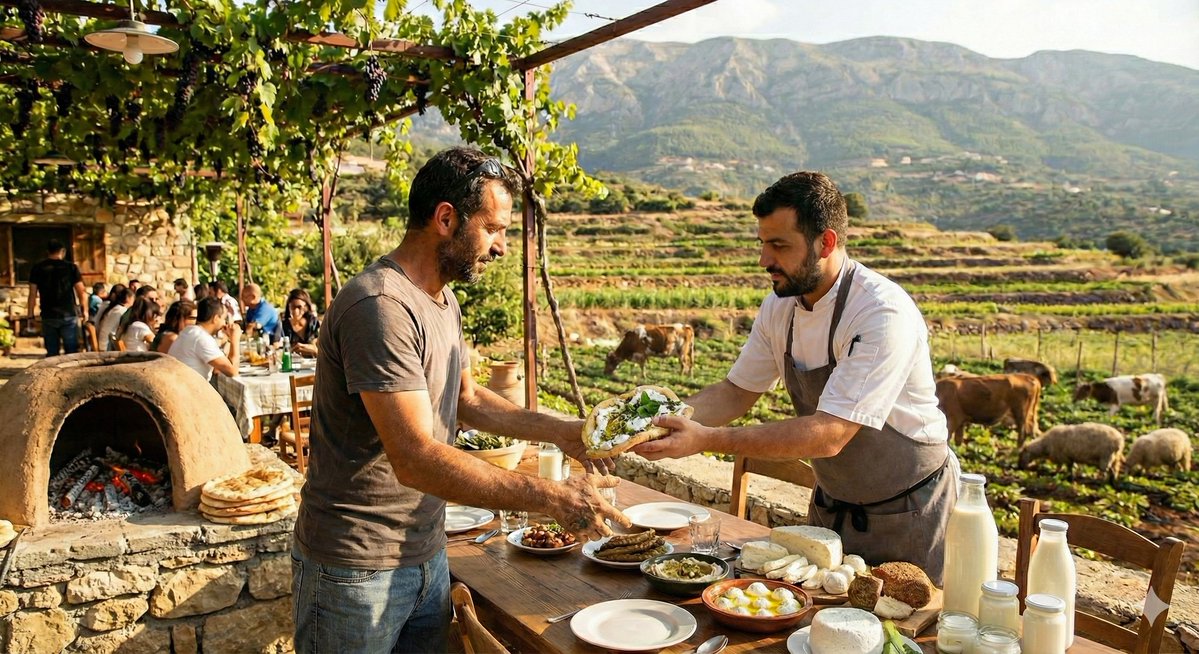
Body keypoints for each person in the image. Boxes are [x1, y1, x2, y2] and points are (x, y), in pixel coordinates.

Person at [292, 147, 627, 654]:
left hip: (425, 553)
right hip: (355, 569)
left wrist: (562, 430)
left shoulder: (442, 300)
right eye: (494, 229)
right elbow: (416, 458)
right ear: (446, 218)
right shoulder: (381, 306)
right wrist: (551, 497)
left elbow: (466, 398)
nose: (501, 248)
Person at [634, 171, 958, 584]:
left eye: (779, 245)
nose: (764, 260)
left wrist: (705, 439)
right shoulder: (781, 306)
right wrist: (658, 423)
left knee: (903, 637)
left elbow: (830, 434)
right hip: (830, 511)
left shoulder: (879, 313)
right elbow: (736, 391)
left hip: (909, 512)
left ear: (826, 242)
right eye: (763, 244)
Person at [26, 239, 88, 356]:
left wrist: (30, 315)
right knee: (71, 353)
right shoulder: (71, 268)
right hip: (68, 314)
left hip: (48, 314)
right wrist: (85, 311)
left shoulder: (37, 268)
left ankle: (52, 373)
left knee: (52, 353)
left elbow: (32, 294)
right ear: (62, 251)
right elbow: (82, 292)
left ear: (47, 252)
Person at [168, 296, 240, 380]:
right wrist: (235, 339)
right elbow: (232, 372)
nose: (225, 323)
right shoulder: (201, 338)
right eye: (224, 319)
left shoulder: (189, 331)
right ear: (216, 318)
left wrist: (229, 339)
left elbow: (218, 368)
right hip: (189, 390)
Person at [280, 288, 320, 356]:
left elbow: (322, 348)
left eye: (299, 307)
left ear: (306, 307)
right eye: (293, 307)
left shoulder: (314, 324)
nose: (296, 311)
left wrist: (312, 349)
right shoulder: (283, 325)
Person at [96, 286, 133, 351]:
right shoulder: (122, 311)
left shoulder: (114, 308)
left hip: (102, 343)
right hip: (108, 347)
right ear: (128, 298)